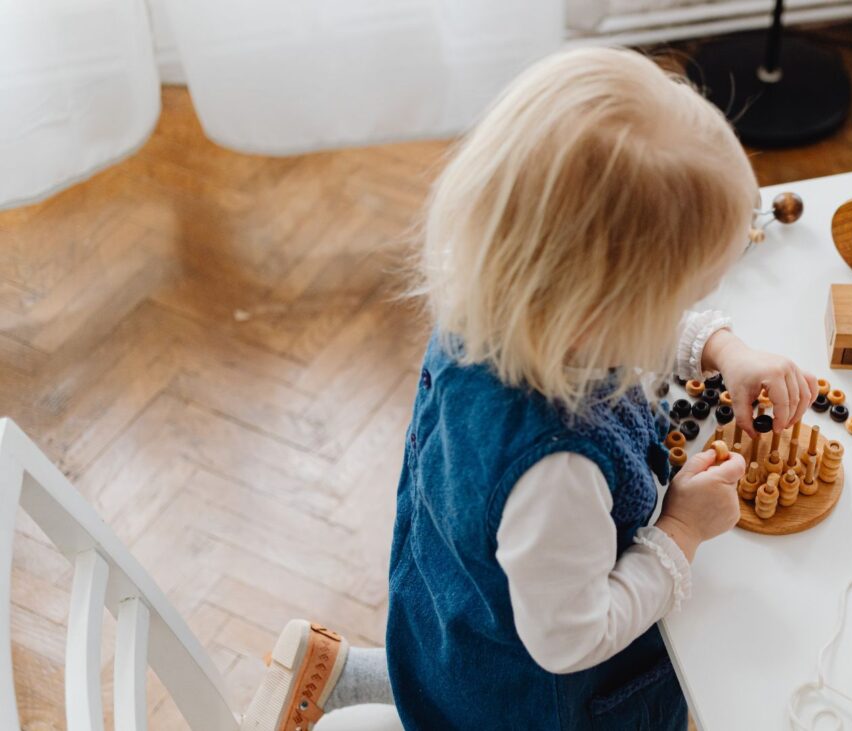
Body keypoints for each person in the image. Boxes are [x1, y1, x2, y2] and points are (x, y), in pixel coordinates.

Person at [240, 46, 817, 731]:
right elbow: (572, 637)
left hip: (453, 611)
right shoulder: (558, 472)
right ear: (603, 315)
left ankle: (381, 682)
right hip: (533, 704)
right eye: (679, 301)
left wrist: (721, 347)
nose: (682, 314)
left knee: (452, 673)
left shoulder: (495, 297)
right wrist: (682, 531)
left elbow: (617, 326)